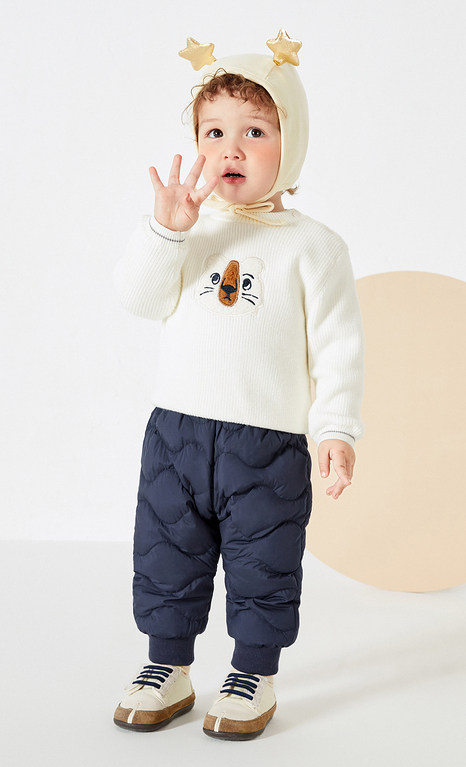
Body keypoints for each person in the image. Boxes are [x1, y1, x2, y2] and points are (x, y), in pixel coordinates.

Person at [112, 32, 365, 741]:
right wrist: (165, 232)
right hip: (177, 435)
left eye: (255, 132)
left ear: (292, 145)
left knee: (264, 562)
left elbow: (339, 350)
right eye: (214, 132)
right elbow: (138, 300)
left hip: (267, 446)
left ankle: (253, 671)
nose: (231, 148)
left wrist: (337, 431)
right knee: (167, 552)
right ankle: (168, 665)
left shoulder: (315, 247)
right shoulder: (187, 232)